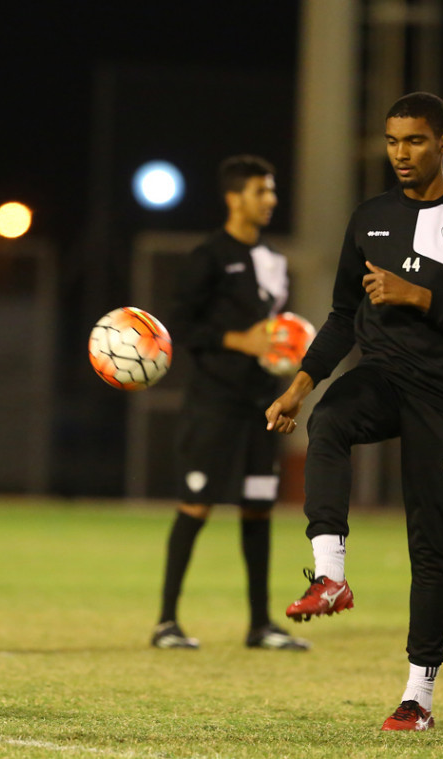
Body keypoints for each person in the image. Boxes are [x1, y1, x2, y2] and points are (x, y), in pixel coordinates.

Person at [266, 92, 443, 730]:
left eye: (416, 142)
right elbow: (344, 315)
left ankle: (418, 696)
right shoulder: (370, 218)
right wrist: (302, 383)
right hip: (381, 377)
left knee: (430, 548)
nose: (402, 154)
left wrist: (419, 296)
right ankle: (330, 577)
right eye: (393, 141)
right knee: (328, 422)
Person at [151, 155, 309, 652]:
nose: (271, 200)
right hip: (214, 403)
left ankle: (260, 625)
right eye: (262, 191)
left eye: (272, 191)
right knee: (196, 504)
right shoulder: (209, 256)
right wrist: (240, 341)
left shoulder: (276, 260)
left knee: (259, 507)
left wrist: (286, 347)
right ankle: (166, 623)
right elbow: (181, 324)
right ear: (234, 197)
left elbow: (272, 328)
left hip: (261, 407)